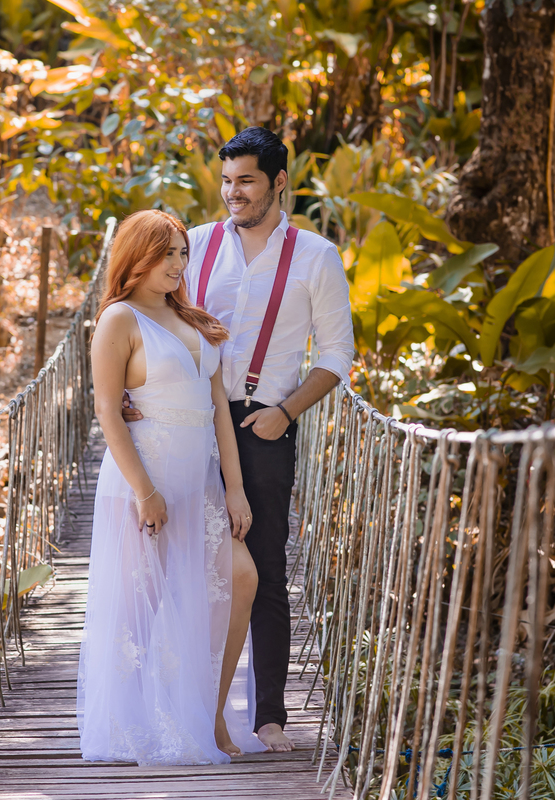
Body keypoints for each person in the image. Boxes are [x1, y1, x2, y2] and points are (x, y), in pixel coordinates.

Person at [123, 127, 354, 752]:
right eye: (227, 181)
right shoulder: (193, 245)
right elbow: (140, 312)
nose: (233, 193)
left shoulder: (317, 257)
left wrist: (287, 411)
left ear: (279, 182)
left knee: (265, 569)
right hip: (181, 422)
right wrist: (123, 389)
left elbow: (337, 354)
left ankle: (268, 717)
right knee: (168, 565)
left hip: (261, 425)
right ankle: (161, 703)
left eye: (246, 181)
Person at [77, 209, 268, 765]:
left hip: (200, 485)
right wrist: (145, 491)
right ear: (136, 257)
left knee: (240, 579)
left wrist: (234, 488)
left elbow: (218, 409)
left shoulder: (192, 317)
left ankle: (209, 714)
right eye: (166, 254)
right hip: (145, 483)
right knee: (137, 610)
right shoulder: (118, 320)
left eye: (183, 253)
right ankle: (129, 722)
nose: (178, 263)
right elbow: (108, 411)